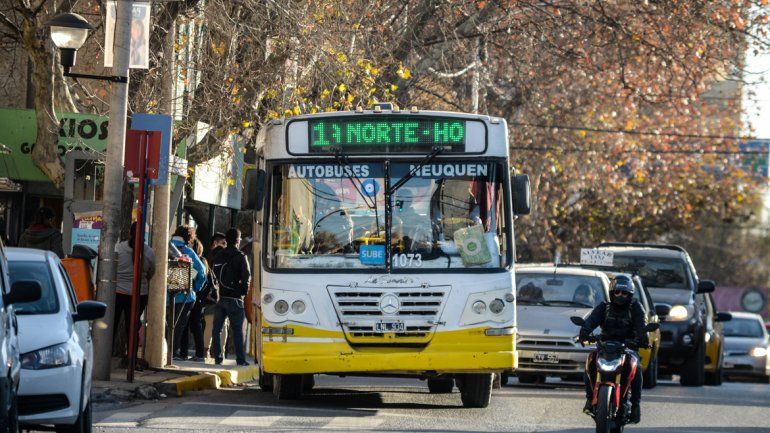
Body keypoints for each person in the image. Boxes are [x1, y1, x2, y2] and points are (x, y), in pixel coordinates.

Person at [579, 275, 649, 424]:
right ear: (612, 293)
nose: (620, 295)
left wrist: (644, 338)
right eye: (617, 292)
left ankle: (635, 406)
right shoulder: (604, 307)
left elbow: (642, 325)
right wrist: (584, 331)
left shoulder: (636, 308)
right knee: (590, 361)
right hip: (605, 346)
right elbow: (591, 320)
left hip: (628, 347)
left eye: (624, 293)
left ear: (630, 294)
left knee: (636, 367)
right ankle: (590, 399)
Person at [114, 222, 155, 358]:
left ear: (130, 233)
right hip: (139, 294)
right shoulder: (149, 252)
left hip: (118, 293)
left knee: (112, 325)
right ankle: (132, 358)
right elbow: (151, 272)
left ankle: (107, 356)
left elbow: (111, 268)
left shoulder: (118, 248)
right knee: (132, 327)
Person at [210, 228, 251, 366]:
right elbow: (246, 277)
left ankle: (218, 358)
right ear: (238, 240)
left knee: (217, 330)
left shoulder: (219, 255)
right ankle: (240, 360)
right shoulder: (241, 256)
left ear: (226, 240)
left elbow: (213, 272)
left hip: (221, 297)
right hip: (235, 298)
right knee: (238, 331)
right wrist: (242, 292)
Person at [169, 226, 206, 361]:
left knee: (167, 323)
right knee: (179, 326)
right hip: (185, 296)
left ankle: (166, 351)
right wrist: (195, 287)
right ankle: (172, 353)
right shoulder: (188, 252)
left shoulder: (164, 247)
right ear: (189, 238)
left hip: (165, 295)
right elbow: (202, 273)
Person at [179, 238, 207, 361]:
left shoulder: (199, 261)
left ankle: (197, 354)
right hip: (195, 296)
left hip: (195, 296)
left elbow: (199, 277)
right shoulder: (201, 261)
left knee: (193, 326)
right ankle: (186, 353)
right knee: (191, 326)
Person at [203, 233, 228, 359]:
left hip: (211, 295)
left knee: (209, 323)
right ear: (215, 243)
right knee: (223, 325)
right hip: (223, 294)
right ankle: (221, 352)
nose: (225, 245)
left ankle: (205, 351)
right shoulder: (227, 257)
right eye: (223, 243)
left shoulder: (207, 257)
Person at [311, 183, 353, 254]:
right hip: (316, 252)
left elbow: (346, 235)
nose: (323, 202)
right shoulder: (314, 214)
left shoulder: (340, 215)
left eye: (326, 199)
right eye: (320, 199)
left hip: (337, 252)